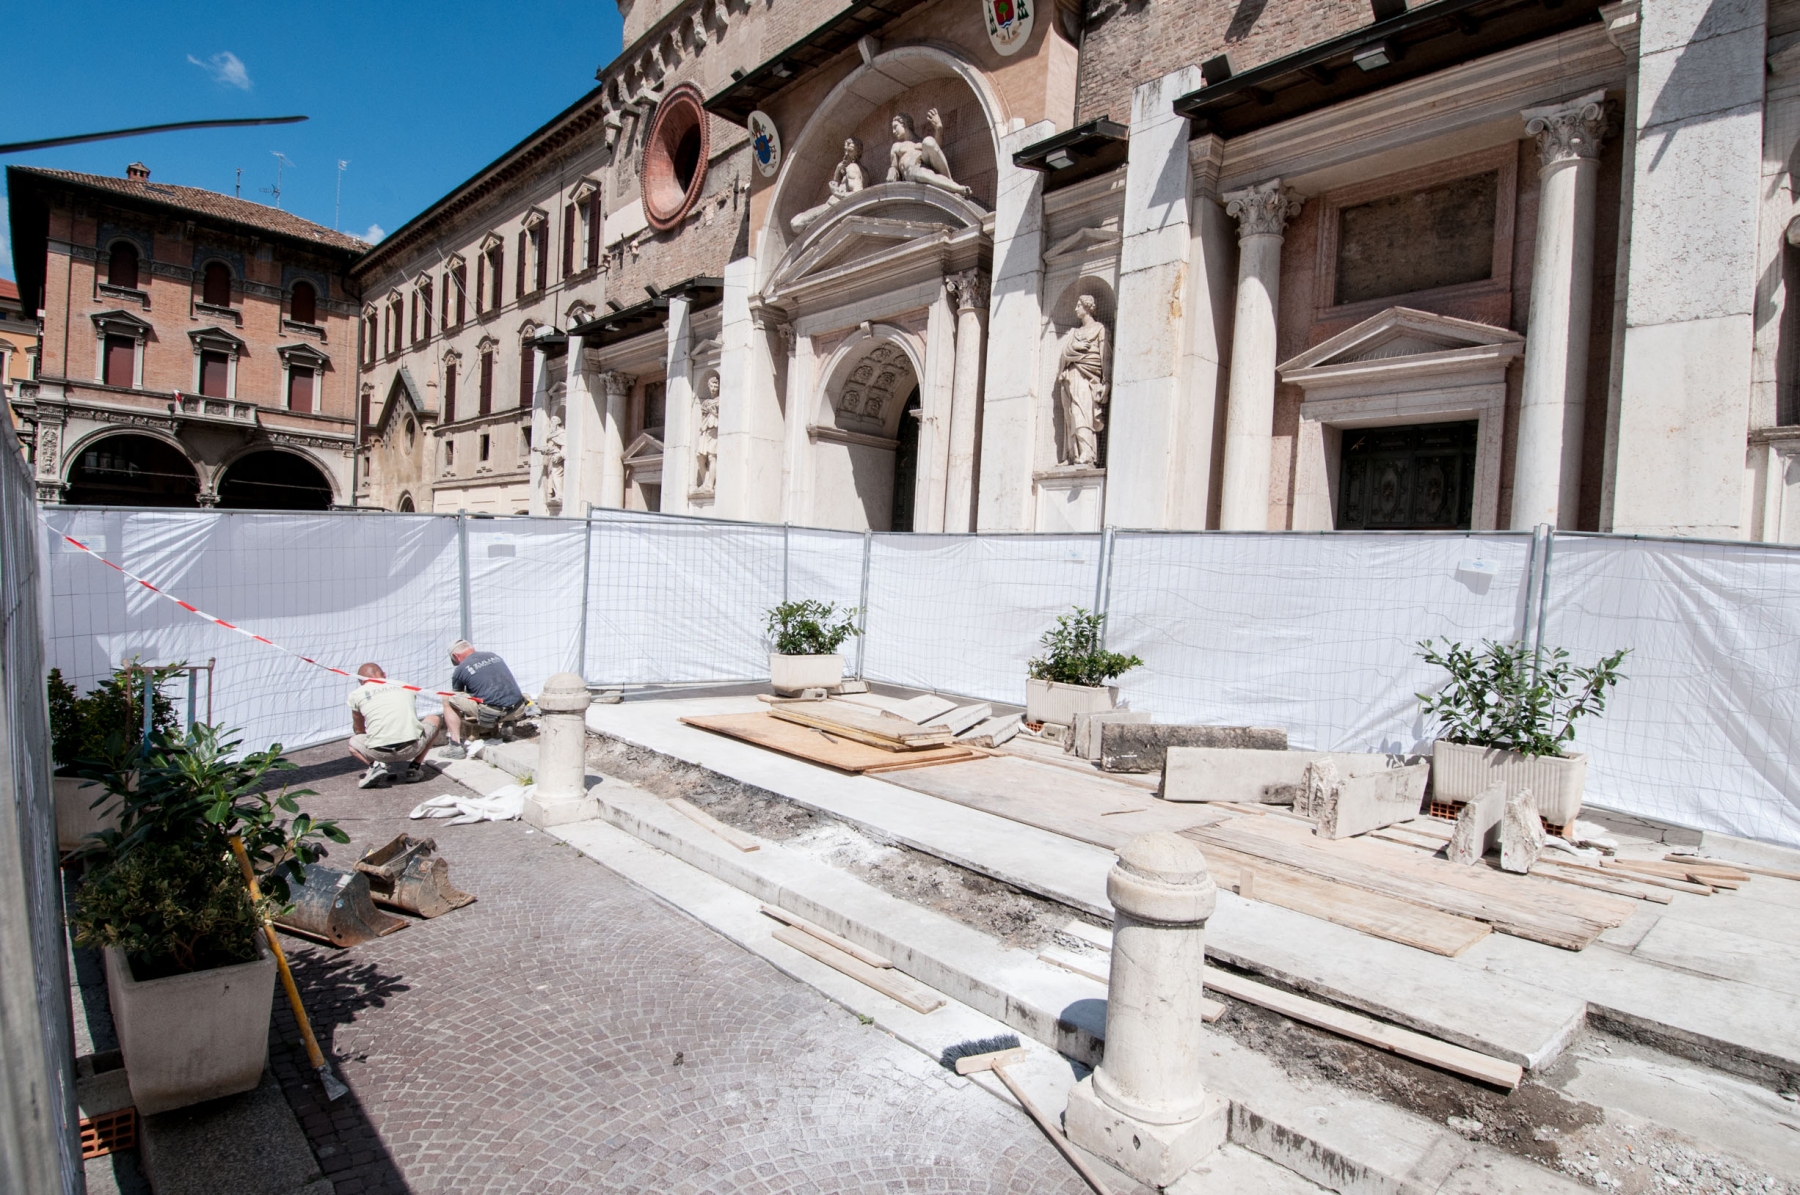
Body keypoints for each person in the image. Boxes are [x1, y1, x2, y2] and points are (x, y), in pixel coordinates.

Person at [347, 663, 443, 787]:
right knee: (434, 718)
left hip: (379, 753)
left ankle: (375, 765)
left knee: (352, 743)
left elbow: (358, 729)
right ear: (384, 675)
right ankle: (414, 767)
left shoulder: (357, 694)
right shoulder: (405, 685)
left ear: (362, 682)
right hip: (412, 748)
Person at [438, 639, 528, 758]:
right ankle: (508, 723)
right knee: (501, 691)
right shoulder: (493, 656)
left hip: (491, 714)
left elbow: (458, 694)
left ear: (455, 656)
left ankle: (455, 746)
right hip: (518, 709)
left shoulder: (460, 669)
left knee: (447, 697)